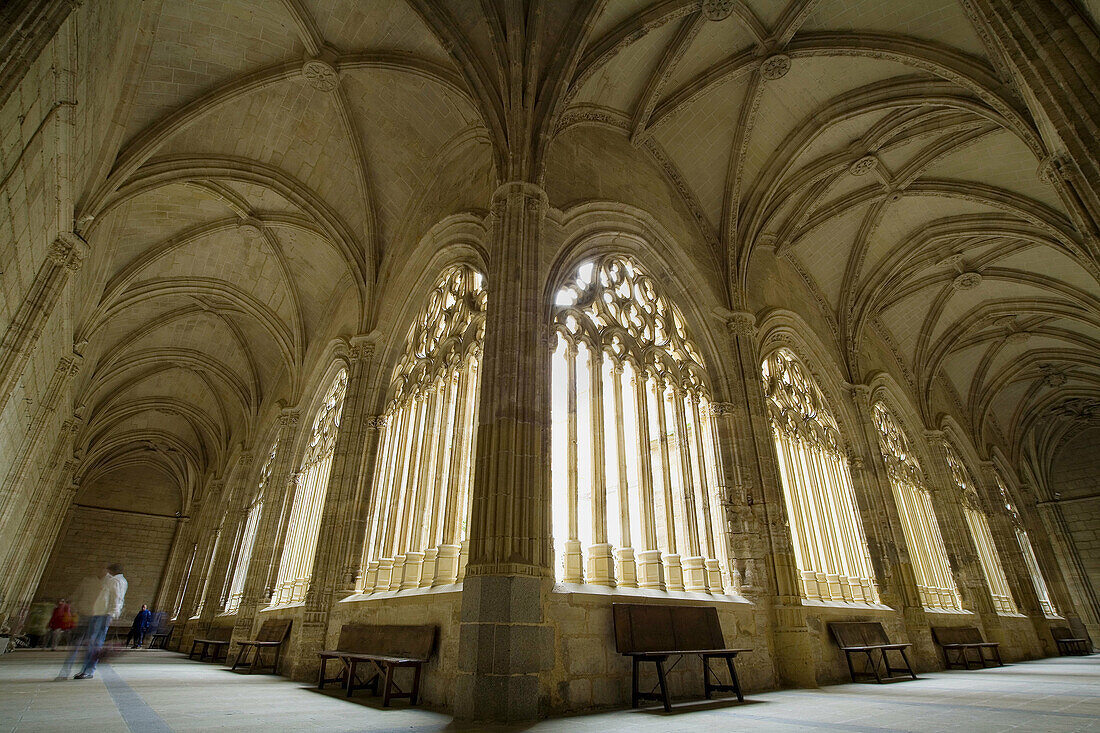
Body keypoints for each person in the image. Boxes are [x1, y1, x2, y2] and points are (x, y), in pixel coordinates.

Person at [70, 563, 127, 680]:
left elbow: (117, 598)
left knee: (94, 643)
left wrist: (112, 614)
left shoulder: (116, 581)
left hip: (103, 615)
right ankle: (87, 669)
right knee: (93, 642)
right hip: (100, 614)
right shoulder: (114, 580)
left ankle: (88, 670)